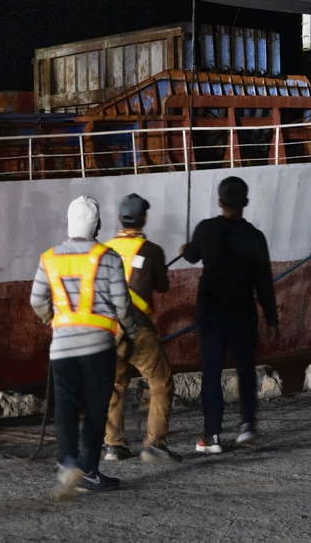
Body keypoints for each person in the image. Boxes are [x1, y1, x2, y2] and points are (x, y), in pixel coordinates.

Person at [30, 195, 139, 499]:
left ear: (68, 223)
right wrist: (131, 331)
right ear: (98, 226)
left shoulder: (49, 258)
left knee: (65, 406)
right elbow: (122, 303)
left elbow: (36, 300)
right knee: (95, 408)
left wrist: (52, 319)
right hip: (98, 347)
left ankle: (67, 463)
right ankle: (89, 470)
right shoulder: (109, 257)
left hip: (63, 348)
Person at [181, 175, 279, 454]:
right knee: (245, 370)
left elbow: (191, 255)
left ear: (219, 202)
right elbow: (263, 283)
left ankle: (211, 437)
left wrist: (185, 249)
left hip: (211, 313)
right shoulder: (255, 237)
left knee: (211, 373)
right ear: (245, 203)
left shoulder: (206, 229)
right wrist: (271, 320)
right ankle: (247, 426)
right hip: (242, 313)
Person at [103, 193, 180, 463]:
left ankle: (114, 445)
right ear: (144, 219)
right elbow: (162, 286)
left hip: (106, 327)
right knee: (160, 381)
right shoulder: (151, 250)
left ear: (118, 218)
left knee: (113, 385)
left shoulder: (104, 249)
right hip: (136, 328)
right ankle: (155, 445)